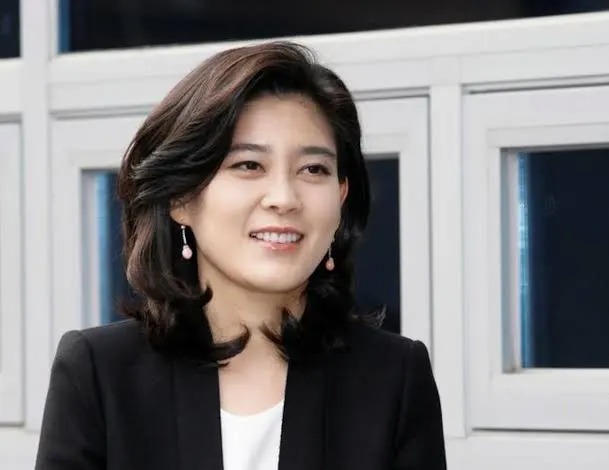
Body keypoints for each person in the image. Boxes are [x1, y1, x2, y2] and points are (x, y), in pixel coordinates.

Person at [36, 41, 447, 470]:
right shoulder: (100, 374)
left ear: (341, 196)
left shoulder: (394, 378)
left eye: (313, 169)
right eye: (249, 165)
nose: (284, 198)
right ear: (181, 196)